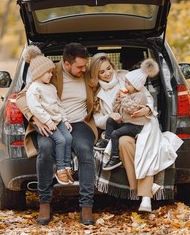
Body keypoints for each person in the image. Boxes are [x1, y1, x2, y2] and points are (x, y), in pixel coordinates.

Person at [16, 43, 97, 225]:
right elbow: (22, 96)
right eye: (79, 67)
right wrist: (36, 120)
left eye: (86, 65)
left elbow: (112, 77)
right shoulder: (49, 72)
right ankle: (44, 203)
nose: (84, 69)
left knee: (85, 150)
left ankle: (86, 206)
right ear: (66, 64)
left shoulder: (87, 73)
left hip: (79, 122)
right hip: (50, 122)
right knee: (44, 149)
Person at [89, 53, 162, 212]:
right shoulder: (95, 92)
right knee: (123, 142)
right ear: (96, 75)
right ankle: (144, 191)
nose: (108, 73)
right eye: (102, 72)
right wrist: (110, 116)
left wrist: (147, 109)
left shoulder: (128, 78)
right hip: (121, 128)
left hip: (143, 122)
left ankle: (145, 196)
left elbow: (147, 97)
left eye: (109, 68)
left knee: (145, 147)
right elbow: (96, 119)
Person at [24, 45, 73, 185]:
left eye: (51, 72)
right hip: (45, 122)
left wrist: (65, 120)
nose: (51, 75)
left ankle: (68, 166)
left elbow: (58, 104)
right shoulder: (34, 89)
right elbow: (35, 108)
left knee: (68, 137)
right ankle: (60, 169)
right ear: (38, 73)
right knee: (61, 140)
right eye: (48, 73)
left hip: (57, 120)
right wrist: (47, 121)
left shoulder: (50, 87)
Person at [98, 59, 159, 171]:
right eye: (101, 72)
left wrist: (125, 98)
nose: (125, 84)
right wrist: (117, 101)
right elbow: (116, 109)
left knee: (115, 134)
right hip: (126, 122)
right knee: (110, 121)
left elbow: (130, 108)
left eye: (128, 83)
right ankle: (106, 142)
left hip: (135, 125)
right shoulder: (127, 92)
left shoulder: (138, 95)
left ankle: (115, 157)